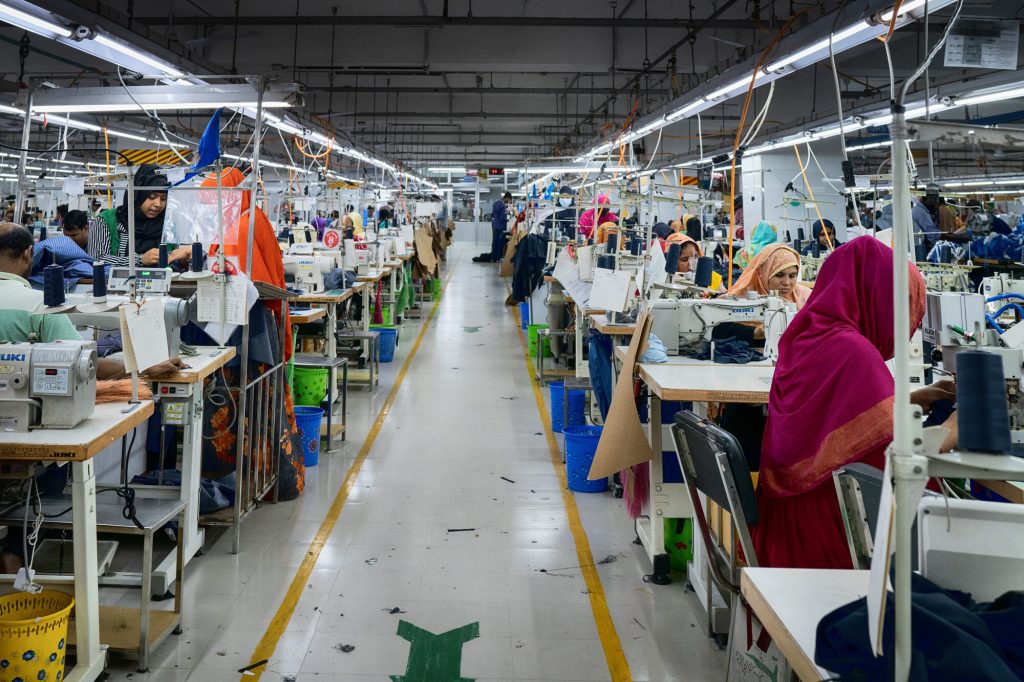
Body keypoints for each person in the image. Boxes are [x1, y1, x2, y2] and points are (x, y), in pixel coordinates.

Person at [751, 236, 955, 569]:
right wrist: (955, 427)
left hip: (789, 519)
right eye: (901, 305)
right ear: (878, 296)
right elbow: (900, 458)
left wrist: (912, 398)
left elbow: (836, 416)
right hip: (834, 531)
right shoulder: (853, 353)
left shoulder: (809, 333)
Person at [0, 222, 182, 379]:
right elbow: (85, 362)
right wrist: (145, 368)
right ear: (28, 253)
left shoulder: (40, 302)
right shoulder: (41, 305)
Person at [89, 163, 191, 267]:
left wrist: (184, 257)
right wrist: (139, 260)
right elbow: (95, 259)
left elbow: (174, 256)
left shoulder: (167, 223)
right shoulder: (107, 220)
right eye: (152, 196)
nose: (158, 204)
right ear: (137, 195)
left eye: (164, 198)